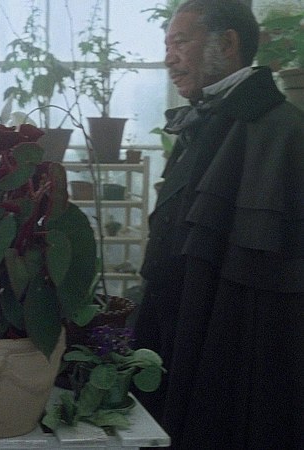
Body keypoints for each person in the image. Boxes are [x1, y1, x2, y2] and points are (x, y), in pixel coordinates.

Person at [133, 1, 303, 448]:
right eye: (167, 45)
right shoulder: (204, 119)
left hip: (236, 349)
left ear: (227, 44)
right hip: (180, 329)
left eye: (180, 42)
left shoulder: (283, 132)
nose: (169, 58)